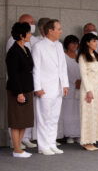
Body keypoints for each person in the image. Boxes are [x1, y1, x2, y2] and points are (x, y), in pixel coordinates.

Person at [32, 19, 69, 155]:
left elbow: (63, 67)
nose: (61, 31)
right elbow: (36, 69)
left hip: (57, 87)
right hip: (45, 88)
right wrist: (37, 88)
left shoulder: (59, 45)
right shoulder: (39, 46)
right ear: (50, 31)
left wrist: (65, 84)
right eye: (58, 29)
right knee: (44, 118)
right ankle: (43, 146)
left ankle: (51, 143)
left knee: (54, 117)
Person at [6, 14, 37, 149]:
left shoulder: (27, 49)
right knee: (16, 120)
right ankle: (17, 148)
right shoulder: (13, 51)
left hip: (27, 87)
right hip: (17, 89)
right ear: (21, 35)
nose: (30, 34)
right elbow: (13, 74)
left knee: (25, 120)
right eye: (28, 32)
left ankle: (19, 146)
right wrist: (19, 92)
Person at [77, 33, 98, 151]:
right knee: (87, 114)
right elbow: (83, 75)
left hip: (97, 89)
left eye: (96, 41)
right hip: (88, 89)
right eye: (94, 41)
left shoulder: (94, 55)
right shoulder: (82, 57)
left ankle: (93, 140)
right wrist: (89, 91)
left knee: (96, 114)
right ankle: (86, 141)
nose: (96, 43)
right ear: (87, 42)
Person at [60, 35, 81, 144]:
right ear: (67, 44)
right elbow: (63, 72)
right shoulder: (63, 56)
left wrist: (81, 81)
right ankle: (68, 135)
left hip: (80, 87)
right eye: (72, 43)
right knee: (68, 111)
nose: (74, 45)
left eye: (76, 43)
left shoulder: (79, 56)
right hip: (68, 87)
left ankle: (77, 134)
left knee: (78, 111)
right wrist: (74, 81)